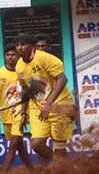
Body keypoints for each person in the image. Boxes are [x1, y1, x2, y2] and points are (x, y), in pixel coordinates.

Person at [15, 34, 74, 165]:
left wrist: (49, 103)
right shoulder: (19, 65)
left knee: (59, 147)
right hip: (37, 107)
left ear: (32, 46)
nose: (20, 48)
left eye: (23, 44)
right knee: (36, 144)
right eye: (17, 45)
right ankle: (62, 166)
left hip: (59, 104)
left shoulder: (45, 58)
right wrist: (23, 113)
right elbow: (25, 89)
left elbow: (62, 79)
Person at [0, 44, 33, 173]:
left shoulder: (23, 71)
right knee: (18, 145)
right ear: (5, 57)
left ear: (18, 56)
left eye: (13, 55)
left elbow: (29, 90)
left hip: (21, 111)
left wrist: (24, 112)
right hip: (5, 114)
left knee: (14, 143)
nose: (11, 57)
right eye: (8, 55)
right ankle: (33, 170)